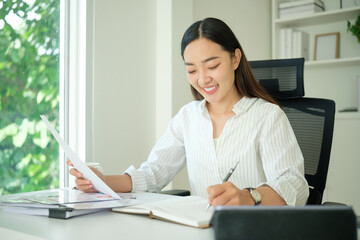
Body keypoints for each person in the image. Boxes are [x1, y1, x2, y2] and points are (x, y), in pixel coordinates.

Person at [68, 17, 309, 206]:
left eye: (213, 66)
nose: (203, 79)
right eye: (192, 70)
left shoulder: (268, 117)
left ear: (235, 59)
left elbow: (295, 186)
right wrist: (100, 181)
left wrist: (250, 197)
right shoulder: (188, 117)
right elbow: (153, 174)